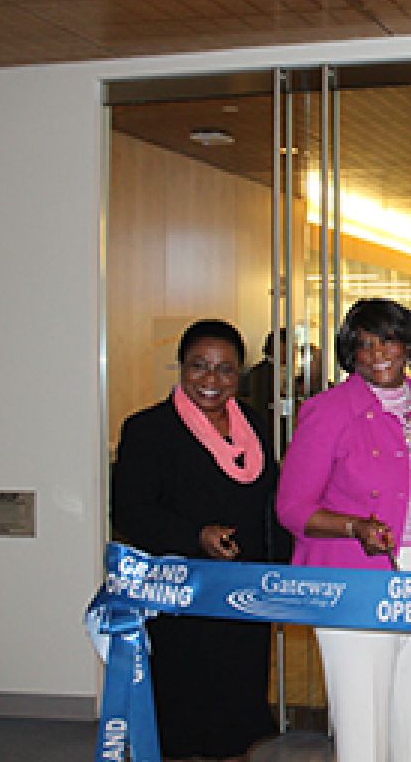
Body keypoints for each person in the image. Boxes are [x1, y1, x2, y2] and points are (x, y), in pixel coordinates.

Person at [275, 298, 411, 762]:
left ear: (409, 344)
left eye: (389, 340)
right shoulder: (327, 411)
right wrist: (353, 526)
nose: (379, 354)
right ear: (350, 353)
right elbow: (292, 508)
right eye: (365, 345)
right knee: (363, 713)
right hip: (354, 574)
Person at [112, 319, 283, 762]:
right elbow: (132, 512)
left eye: (225, 369)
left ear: (239, 374)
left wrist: (280, 571)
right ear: (181, 368)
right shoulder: (149, 430)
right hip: (179, 600)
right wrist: (196, 535)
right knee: (183, 723)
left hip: (242, 598)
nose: (211, 380)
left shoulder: (255, 426)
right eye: (199, 367)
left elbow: (270, 501)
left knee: (235, 721)